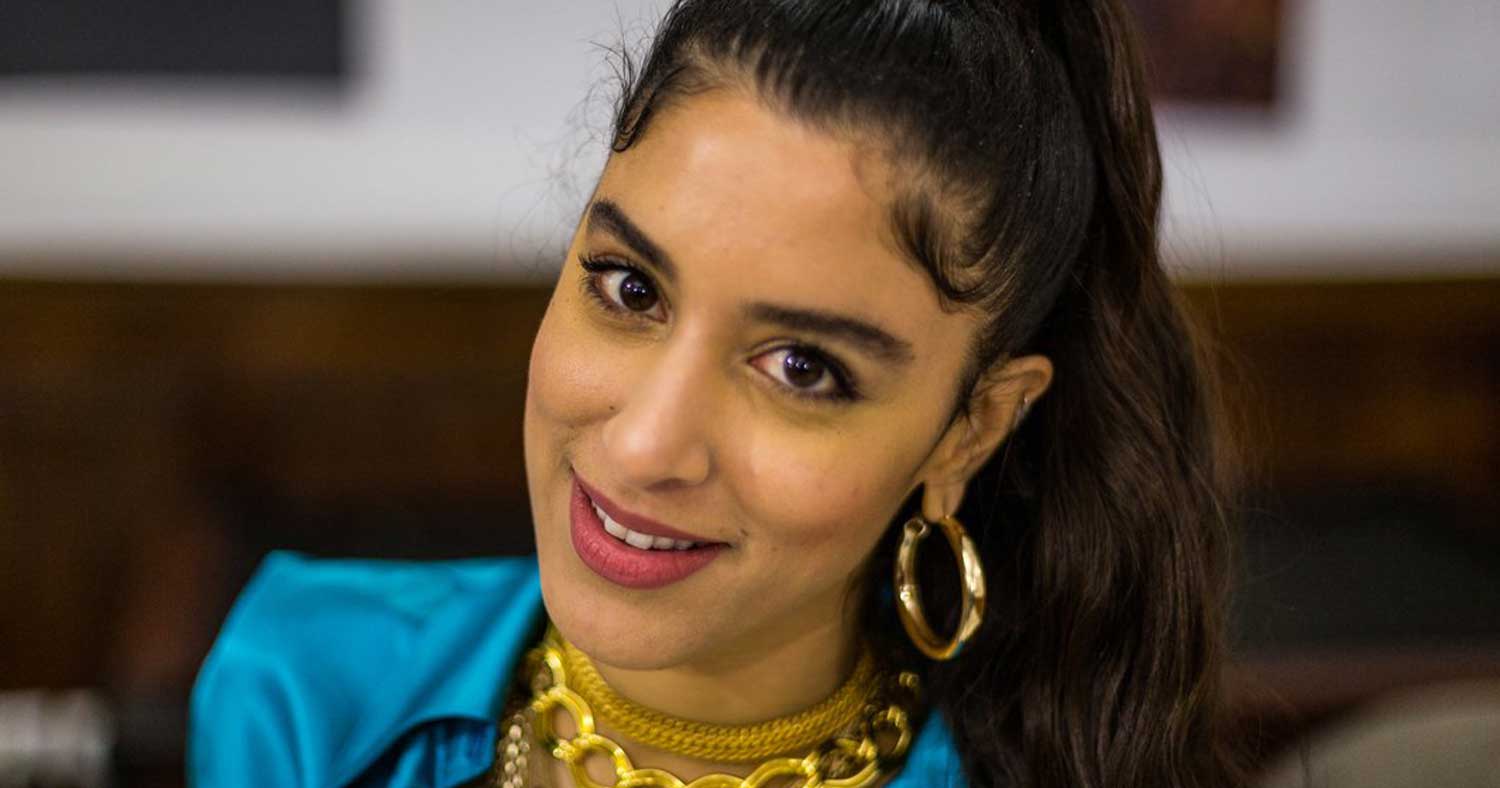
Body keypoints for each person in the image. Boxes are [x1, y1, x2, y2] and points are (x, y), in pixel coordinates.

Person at [189, 1, 1244, 786]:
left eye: (802, 368)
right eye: (630, 289)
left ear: (969, 431)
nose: (644, 444)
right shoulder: (302, 691)